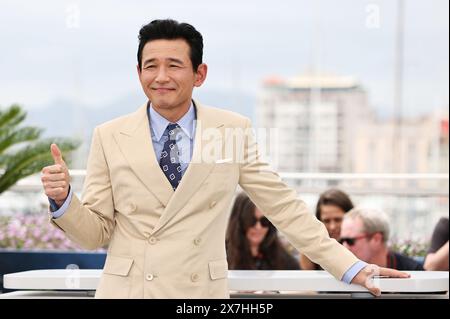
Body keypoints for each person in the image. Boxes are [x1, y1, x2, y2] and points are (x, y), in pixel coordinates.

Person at [41, 19, 408, 298]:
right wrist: (63, 200)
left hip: (201, 294)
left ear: (199, 74)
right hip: (130, 292)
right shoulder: (109, 135)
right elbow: (94, 234)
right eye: (150, 65)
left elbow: (282, 207)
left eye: (174, 65)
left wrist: (349, 266)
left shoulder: (230, 130)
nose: (161, 76)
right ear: (138, 73)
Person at [226, 192, 300, 270]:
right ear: (239, 222)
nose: (258, 227)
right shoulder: (221, 258)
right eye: (251, 220)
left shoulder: (284, 260)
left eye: (264, 221)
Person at [340, 207, 424, 270]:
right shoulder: (339, 272)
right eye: (342, 241)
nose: (344, 246)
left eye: (350, 241)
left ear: (376, 239)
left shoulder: (413, 272)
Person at [300, 189, 354, 270]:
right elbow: (307, 279)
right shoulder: (312, 246)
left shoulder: (361, 243)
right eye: (326, 221)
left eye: (338, 219)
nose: (332, 227)